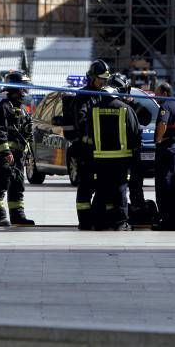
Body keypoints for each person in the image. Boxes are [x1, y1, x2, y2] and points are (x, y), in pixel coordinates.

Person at [87, 86, 141, 230]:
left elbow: (88, 131)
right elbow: (135, 131)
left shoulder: (94, 109)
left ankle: (98, 222)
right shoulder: (125, 108)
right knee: (120, 190)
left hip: (100, 158)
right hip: (121, 158)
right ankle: (120, 222)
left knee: (101, 189)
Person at [0, 71, 35, 227]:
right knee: (0, 184)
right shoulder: (3, 108)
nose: (25, 92)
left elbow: (27, 132)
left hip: (19, 156)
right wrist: (6, 152)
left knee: (17, 185)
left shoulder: (24, 110)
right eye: (23, 88)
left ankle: (18, 215)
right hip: (6, 156)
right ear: (15, 89)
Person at [108, 72, 153, 225]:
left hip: (125, 155)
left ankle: (135, 211)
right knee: (120, 187)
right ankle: (121, 214)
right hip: (122, 154)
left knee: (132, 186)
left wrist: (133, 103)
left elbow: (146, 118)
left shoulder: (127, 105)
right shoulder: (108, 105)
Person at [72, 59, 110, 230]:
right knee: (86, 187)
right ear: (92, 77)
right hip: (86, 150)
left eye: (105, 79)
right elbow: (82, 120)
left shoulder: (105, 94)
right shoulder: (83, 96)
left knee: (103, 186)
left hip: (102, 151)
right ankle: (85, 221)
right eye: (101, 78)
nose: (103, 82)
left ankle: (99, 219)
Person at [152, 82, 175, 231]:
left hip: (167, 150)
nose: (155, 96)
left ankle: (166, 221)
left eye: (157, 93)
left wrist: (158, 139)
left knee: (164, 186)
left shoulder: (165, 106)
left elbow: (163, 124)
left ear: (165, 93)